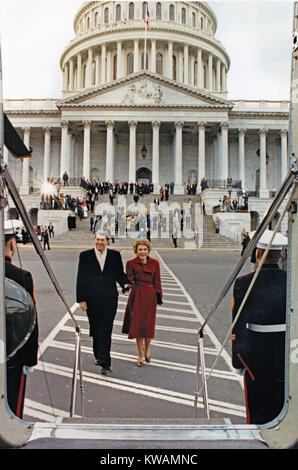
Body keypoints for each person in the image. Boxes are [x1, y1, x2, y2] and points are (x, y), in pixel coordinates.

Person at [232, 229, 288, 425]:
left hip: (256, 354)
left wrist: (238, 359)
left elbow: (238, 323)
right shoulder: (291, 281)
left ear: (257, 253)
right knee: (284, 402)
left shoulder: (243, 283)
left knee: (258, 408)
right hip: (287, 350)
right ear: (281, 254)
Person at [76, 231, 130, 376]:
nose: (100, 242)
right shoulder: (85, 256)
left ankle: (105, 363)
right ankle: (98, 354)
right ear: (94, 240)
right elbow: (81, 277)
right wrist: (81, 299)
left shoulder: (114, 256)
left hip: (109, 298)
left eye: (103, 240)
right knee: (95, 328)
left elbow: (119, 274)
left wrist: (125, 284)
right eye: (98, 240)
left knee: (106, 330)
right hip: (91, 299)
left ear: (107, 241)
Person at [4, 221, 39, 419]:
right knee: (11, 407)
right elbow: (30, 321)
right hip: (12, 355)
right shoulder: (22, 276)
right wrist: (30, 359)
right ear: (12, 245)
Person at [122, 239, 163, 367]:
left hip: (150, 297)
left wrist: (159, 295)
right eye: (140, 249)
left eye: (145, 249)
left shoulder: (155, 263)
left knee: (149, 326)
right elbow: (129, 279)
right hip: (137, 296)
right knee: (138, 326)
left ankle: (147, 349)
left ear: (148, 250)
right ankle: (140, 353)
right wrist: (127, 288)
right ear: (136, 251)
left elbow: (157, 280)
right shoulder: (130, 263)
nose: (142, 252)